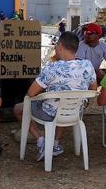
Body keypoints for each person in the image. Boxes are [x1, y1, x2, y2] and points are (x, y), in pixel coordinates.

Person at [13, 31, 97, 162]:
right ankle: (55, 144)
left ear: (60, 46)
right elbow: (93, 89)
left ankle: (41, 141)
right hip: (74, 112)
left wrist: (47, 92)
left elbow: (31, 93)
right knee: (64, 104)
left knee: (19, 108)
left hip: (49, 113)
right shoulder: (88, 66)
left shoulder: (52, 68)